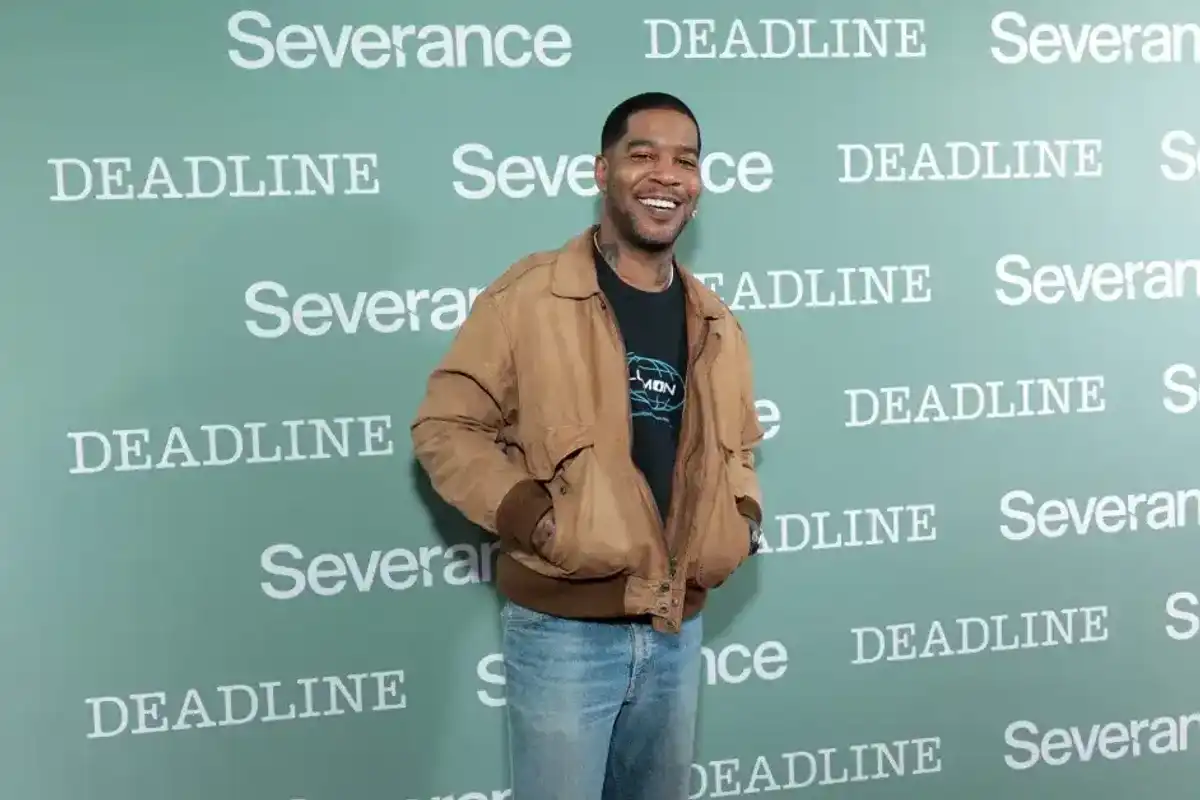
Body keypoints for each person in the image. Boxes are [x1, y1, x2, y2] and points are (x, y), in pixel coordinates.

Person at [410, 91, 765, 800]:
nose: (666, 175)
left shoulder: (716, 321)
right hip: (564, 634)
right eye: (643, 155)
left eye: (685, 160)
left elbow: (739, 451)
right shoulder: (529, 298)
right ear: (602, 172)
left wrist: (742, 518)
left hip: (677, 628)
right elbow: (446, 427)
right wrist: (530, 514)